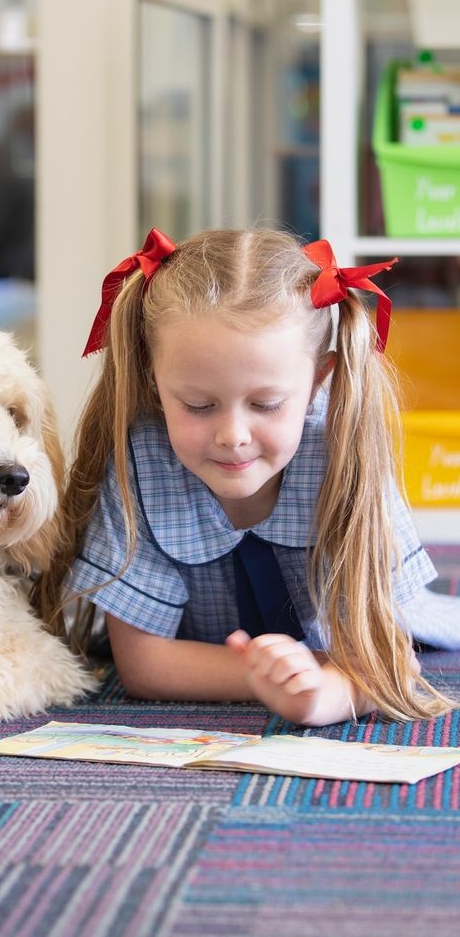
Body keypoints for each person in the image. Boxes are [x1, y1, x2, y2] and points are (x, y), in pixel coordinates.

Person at [34, 227, 460, 726]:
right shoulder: (139, 457)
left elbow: (389, 663)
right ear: (153, 377)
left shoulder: (346, 447)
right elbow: (145, 664)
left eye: (266, 404)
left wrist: (326, 693)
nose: (233, 435)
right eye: (197, 405)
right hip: (278, 660)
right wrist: (271, 677)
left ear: (318, 378)